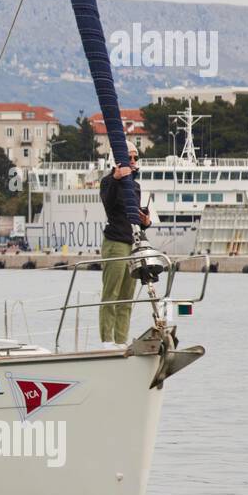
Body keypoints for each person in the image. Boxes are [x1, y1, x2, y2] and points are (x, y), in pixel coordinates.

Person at [99, 146, 151, 346]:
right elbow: (109, 203)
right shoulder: (107, 182)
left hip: (133, 243)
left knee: (127, 297)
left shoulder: (135, 187)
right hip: (115, 242)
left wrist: (146, 222)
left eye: (135, 157)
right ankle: (106, 340)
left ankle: (121, 340)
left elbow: (134, 215)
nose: (132, 160)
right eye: (128, 156)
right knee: (111, 293)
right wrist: (116, 178)